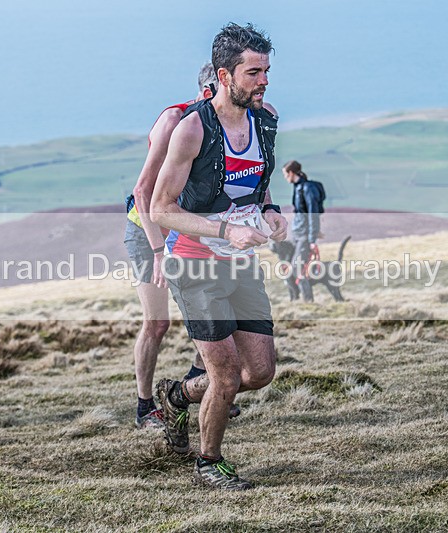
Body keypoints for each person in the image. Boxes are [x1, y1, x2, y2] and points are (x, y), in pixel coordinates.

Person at [150, 23, 287, 490]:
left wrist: (270, 212)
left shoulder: (265, 119)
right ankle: (209, 463)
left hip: (241, 260)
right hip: (194, 261)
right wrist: (226, 228)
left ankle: (178, 393)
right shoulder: (192, 129)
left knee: (260, 372)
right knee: (226, 376)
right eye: (254, 72)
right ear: (225, 76)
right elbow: (160, 209)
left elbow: (260, 182)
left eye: (267, 71)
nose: (264, 81)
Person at [124, 63, 240, 429]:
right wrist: (159, 252)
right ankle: (146, 407)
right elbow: (144, 191)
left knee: (213, 315)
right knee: (157, 324)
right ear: (208, 87)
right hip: (147, 230)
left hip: (187, 229)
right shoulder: (176, 120)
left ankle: (195, 385)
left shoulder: (226, 123)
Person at [282, 160, 323, 302]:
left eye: (285, 174)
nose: (285, 178)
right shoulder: (298, 187)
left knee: (297, 268)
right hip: (297, 234)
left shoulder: (307, 189)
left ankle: (308, 302)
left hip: (304, 236)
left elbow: (313, 214)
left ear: (291, 173)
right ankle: (296, 298)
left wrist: (312, 240)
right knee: (291, 267)